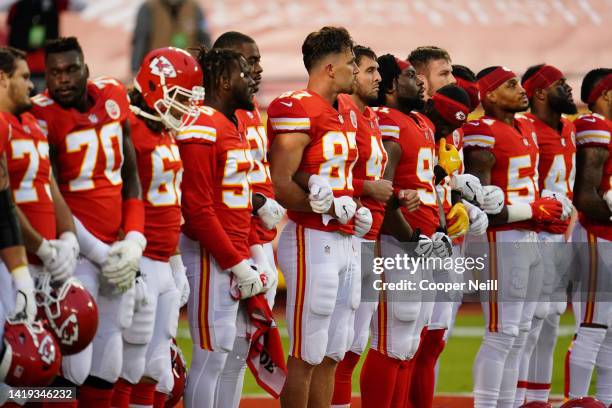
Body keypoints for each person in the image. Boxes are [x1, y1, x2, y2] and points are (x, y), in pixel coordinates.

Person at [30, 36, 145, 406]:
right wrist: (100, 251)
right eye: (54, 73)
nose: (63, 79)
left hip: (115, 248)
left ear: (86, 68)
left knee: (111, 354)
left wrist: (134, 240)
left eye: (70, 70)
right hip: (75, 254)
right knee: (69, 365)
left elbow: (130, 177)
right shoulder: (40, 115)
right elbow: (51, 194)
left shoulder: (113, 96)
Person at [360, 55, 469, 408]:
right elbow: (385, 191)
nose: (419, 82)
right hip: (396, 242)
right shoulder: (389, 122)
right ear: (391, 86)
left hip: (419, 243)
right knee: (392, 341)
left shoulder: (418, 122)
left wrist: (438, 228)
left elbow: (425, 188)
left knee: (409, 343)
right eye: (409, 76)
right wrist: (412, 237)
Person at [267, 26, 367, 408]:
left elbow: (340, 181)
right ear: (329, 67)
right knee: (307, 352)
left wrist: (352, 207)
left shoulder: (345, 112)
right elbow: (280, 182)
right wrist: (324, 205)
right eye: (350, 63)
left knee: (333, 351)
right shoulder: (297, 106)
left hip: (345, 239)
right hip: (312, 237)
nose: (355, 71)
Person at [464, 66, 564, 407]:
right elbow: (483, 204)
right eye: (510, 85)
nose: (521, 90)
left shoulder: (527, 128)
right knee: (502, 334)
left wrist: (543, 206)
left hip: (530, 237)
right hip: (502, 238)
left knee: (521, 333)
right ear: (489, 95)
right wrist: (532, 210)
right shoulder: (481, 130)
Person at [110, 46, 203, 408]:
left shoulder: (161, 130)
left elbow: (171, 204)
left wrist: (176, 264)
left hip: (164, 260)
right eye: (180, 98)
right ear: (155, 86)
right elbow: (119, 196)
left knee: (156, 368)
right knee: (125, 366)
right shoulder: (129, 127)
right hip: (140, 257)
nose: (186, 108)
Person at [179, 47, 269, 408]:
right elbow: (198, 210)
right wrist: (235, 260)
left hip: (231, 250)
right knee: (211, 354)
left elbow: (228, 199)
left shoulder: (230, 123)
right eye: (244, 74)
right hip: (209, 253)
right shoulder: (202, 124)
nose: (252, 81)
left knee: (227, 352)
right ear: (223, 80)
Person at [211, 31, 286, 408]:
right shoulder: (219, 113)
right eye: (249, 61)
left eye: (258, 61)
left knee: (240, 348)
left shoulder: (251, 108)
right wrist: (256, 200)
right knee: (220, 349)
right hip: (231, 239)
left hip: (259, 237)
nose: (257, 69)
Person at [515, 64, 576, 405]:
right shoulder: (525, 128)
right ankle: (519, 398)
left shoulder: (570, 128)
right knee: (527, 325)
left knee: (551, 320)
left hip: (559, 237)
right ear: (539, 92)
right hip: (532, 233)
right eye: (559, 84)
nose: (568, 90)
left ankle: (539, 399)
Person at [566, 68, 612, 405]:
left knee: (609, 332)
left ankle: (606, 398)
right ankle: (578, 399)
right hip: (597, 235)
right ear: (605, 94)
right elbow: (586, 193)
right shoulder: (594, 126)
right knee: (594, 325)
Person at [4, 0, 87, 92]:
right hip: (43, 65)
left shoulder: (16, 6)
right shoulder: (55, 3)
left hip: (29, 66)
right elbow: (82, 7)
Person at [131, 0, 212, 76]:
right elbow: (140, 41)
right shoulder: (149, 8)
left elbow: (204, 40)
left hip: (188, 72)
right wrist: (135, 70)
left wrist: (209, 67)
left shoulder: (194, 8)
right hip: (158, 71)